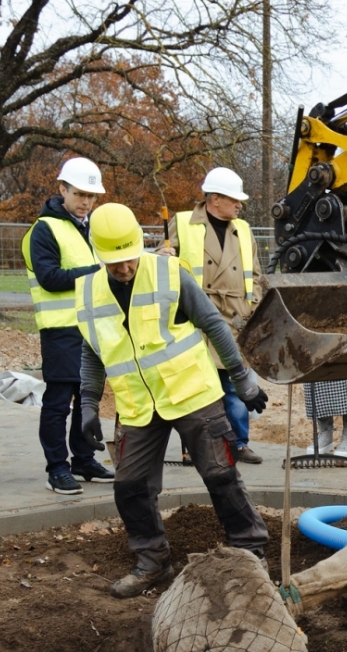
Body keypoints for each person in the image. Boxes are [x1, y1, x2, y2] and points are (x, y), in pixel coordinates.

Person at [76, 203, 270, 599]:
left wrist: (242, 378)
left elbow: (213, 323)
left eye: (129, 258)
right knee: (129, 487)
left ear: (139, 245)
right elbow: (92, 352)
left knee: (220, 475)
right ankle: (153, 561)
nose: (124, 268)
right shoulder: (88, 291)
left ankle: (250, 552)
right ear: (98, 254)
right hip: (138, 406)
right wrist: (88, 404)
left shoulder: (168, 273)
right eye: (115, 263)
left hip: (192, 393)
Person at [157, 167, 266, 464]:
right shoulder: (182, 222)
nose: (239, 204)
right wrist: (160, 258)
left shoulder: (243, 230)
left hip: (235, 319)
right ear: (214, 199)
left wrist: (252, 305)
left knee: (235, 383)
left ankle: (239, 443)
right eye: (234, 198)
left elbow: (256, 274)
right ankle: (196, 447)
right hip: (197, 320)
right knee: (198, 386)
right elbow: (160, 263)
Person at [21, 157, 113, 495]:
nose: (86, 201)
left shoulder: (93, 227)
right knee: (59, 401)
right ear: (62, 190)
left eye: (91, 195)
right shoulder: (44, 229)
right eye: (80, 194)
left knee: (87, 397)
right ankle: (57, 467)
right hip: (61, 329)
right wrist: (96, 274)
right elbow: (50, 278)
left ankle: (83, 459)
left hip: (93, 328)